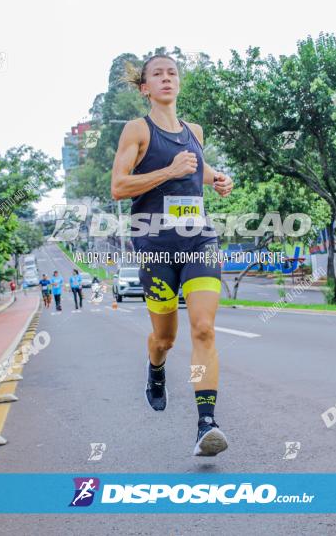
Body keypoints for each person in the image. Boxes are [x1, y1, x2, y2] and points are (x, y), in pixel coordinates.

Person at [110, 54, 234, 457]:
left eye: (172, 73)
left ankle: (206, 424)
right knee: (166, 338)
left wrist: (216, 178)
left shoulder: (193, 131)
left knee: (203, 329)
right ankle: (156, 368)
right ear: (145, 88)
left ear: (178, 83)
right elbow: (119, 186)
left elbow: (195, 165)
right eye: (157, 75)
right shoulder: (137, 130)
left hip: (198, 240)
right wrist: (168, 172)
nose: (166, 79)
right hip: (155, 246)